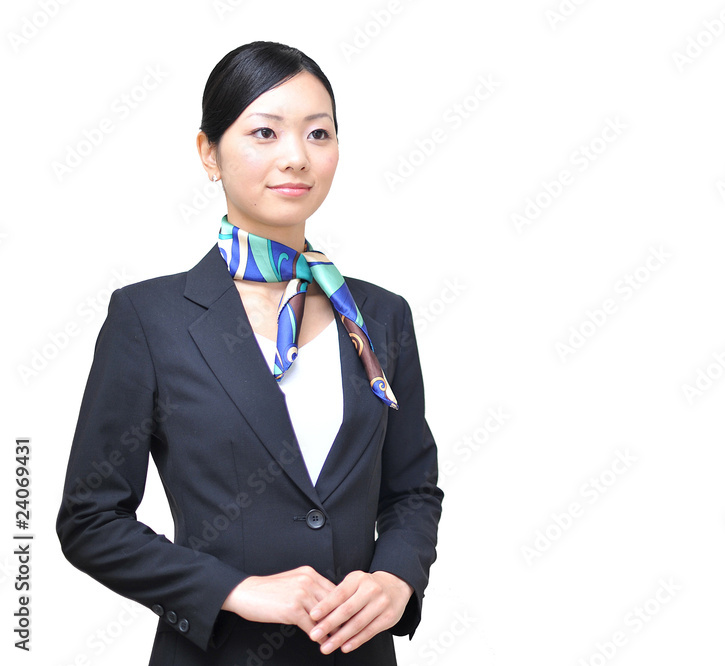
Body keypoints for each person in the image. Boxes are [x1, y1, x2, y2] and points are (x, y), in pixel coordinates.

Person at [55, 41, 444, 665]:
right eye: (265, 132)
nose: (296, 156)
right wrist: (234, 590)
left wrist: (397, 578)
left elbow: (412, 490)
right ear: (209, 153)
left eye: (318, 133)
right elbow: (89, 520)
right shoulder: (149, 318)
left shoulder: (380, 315)